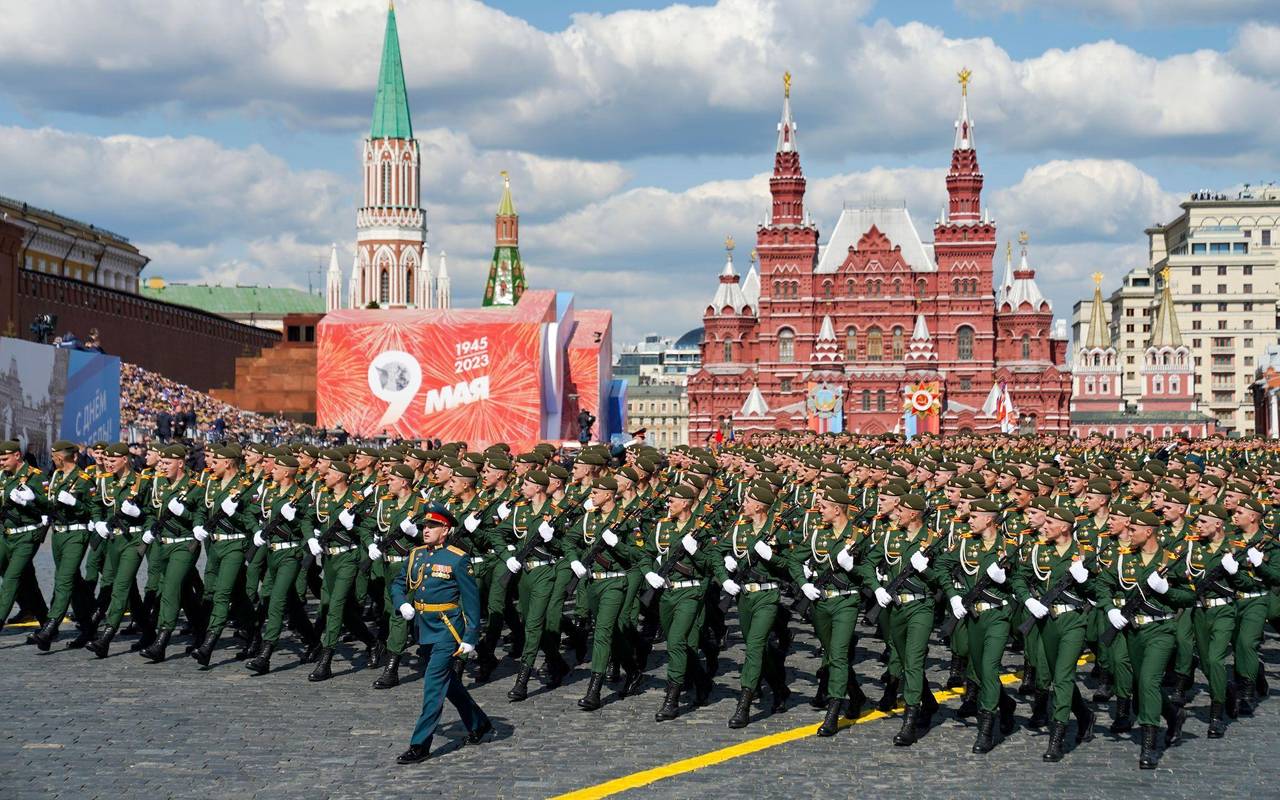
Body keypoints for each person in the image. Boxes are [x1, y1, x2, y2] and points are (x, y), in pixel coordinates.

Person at [391, 502, 493, 764]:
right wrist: (401, 602)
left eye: (432, 526)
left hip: (448, 629)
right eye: (425, 525)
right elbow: (398, 583)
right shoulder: (416, 555)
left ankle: (420, 744)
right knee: (449, 684)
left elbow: (472, 602)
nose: (426, 530)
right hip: (424, 628)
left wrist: (471, 637)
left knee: (433, 687)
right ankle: (478, 722)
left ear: (445, 530)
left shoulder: (458, 559)